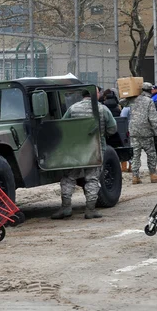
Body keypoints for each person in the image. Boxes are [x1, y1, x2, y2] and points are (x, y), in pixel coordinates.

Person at [52, 87, 117, 220]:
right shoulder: (102, 109)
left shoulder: (73, 108)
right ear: (95, 94)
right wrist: (102, 135)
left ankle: (65, 208)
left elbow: (63, 126)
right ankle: (90, 209)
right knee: (92, 178)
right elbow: (113, 128)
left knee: (69, 178)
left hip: (75, 150)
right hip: (95, 149)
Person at [120, 82, 157, 184]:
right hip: (146, 131)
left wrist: (130, 94)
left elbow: (121, 102)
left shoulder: (133, 99)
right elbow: (153, 118)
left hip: (134, 131)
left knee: (135, 155)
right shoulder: (149, 101)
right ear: (150, 90)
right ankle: (153, 175)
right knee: (151, 154)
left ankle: (135, 176)